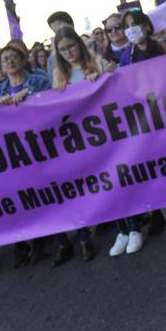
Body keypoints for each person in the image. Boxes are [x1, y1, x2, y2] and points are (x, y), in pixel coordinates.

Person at [109, 11, 166, 254]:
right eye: (127, 27)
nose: (130, 29)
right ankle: (158, 213)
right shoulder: (126, 56)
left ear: (146, 26)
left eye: (135, 25)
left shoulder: (162, 45)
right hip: (145, 120)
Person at [0, 45, 52, 266]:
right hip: (17, 151)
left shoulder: (37, 80)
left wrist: (31, 96)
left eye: (13, 57)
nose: (9, 62)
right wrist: (0, 108)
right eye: (5, 59)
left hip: (43, 145)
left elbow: (51, 100)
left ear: (22, 59)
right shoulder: (0, 90)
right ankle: (36, 243)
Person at [48, 25, 103, 263]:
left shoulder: (95, 64)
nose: (68, 52)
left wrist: (98, 78)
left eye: (71, 46)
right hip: (77, 139)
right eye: (62, 50)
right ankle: (87, 235)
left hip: (100, 133)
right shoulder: (60, 76)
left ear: (79, 45)